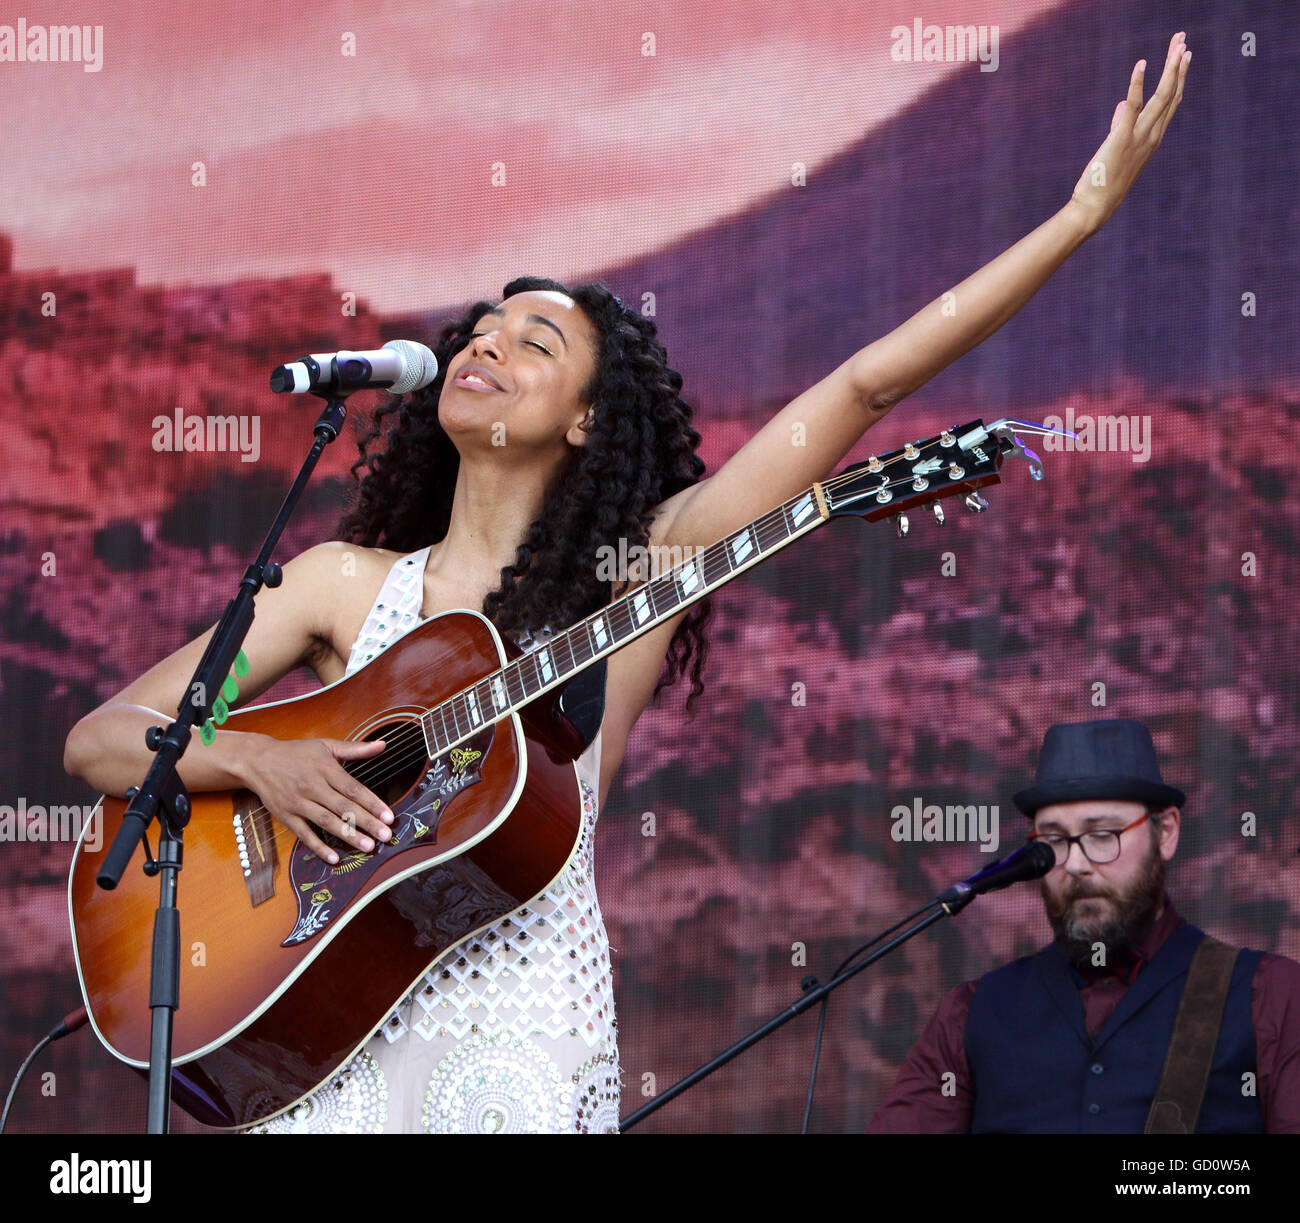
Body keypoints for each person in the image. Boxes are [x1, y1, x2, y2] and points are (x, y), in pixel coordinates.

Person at [62, 35, 1193, 1133]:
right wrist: (261, 755)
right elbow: (110, 738)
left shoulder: (633, 578)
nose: (488, 346)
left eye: (535, 343)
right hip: (324, 1035)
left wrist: (1076, 218)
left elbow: (859, 389)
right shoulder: (335, 585)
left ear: (589, 420)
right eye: (481, 330)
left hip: (517, 1036)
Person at [868, 717, 1300, 1133]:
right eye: (1054, 840)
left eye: (1101, 835)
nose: (1075, 864)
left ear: (1165, 832)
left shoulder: (1270, 996)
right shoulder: (971, 1013)